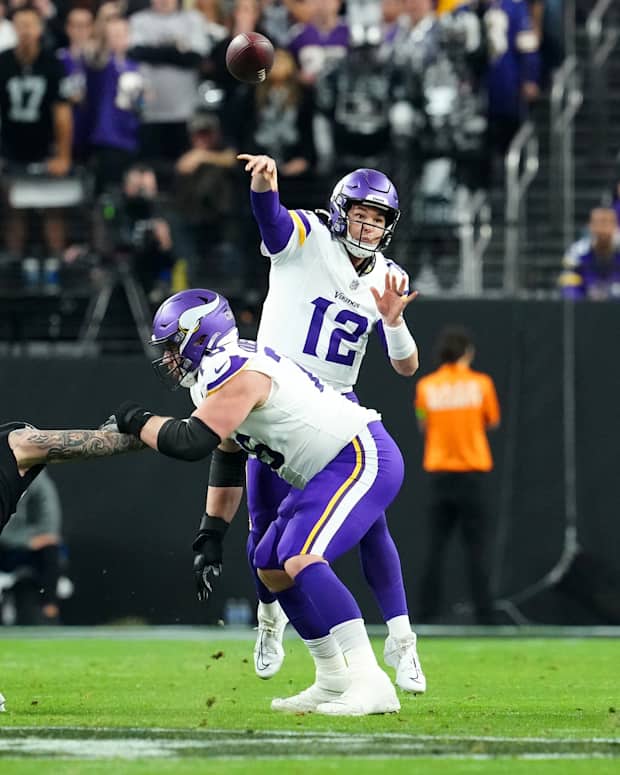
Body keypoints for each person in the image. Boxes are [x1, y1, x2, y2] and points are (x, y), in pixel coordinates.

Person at [110, 287, 405, 716]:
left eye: (173, 346)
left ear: (200, 335)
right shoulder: (214, 376)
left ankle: (370, 680)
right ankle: (332, 677)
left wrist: (136, 420)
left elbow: (189, 441)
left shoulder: (233, 369)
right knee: (269, 565)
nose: (169, 358)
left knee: (300, 555)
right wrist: (212, 532)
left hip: (358, 454)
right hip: (323, 469)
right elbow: (227, 455)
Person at [203, 152, 426, 701]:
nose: (368, 226)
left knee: (370, 526)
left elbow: (406, 366)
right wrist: (264, 186)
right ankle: (271, 621)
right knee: (265, 531)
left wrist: (394, 322)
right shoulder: (310, 236)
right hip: (274, 394)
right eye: (361, 214)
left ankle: (401, 642)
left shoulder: (390, 277)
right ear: (340, 211)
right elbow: (272, 222)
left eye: (378, 218)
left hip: (332, 405)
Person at [415, 326, 500, 624]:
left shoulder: (426, 386)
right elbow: (491, 420)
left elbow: (422, 422)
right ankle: (485, 615)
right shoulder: (481, 384)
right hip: (472, 473)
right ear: (467, 352)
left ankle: (425, 615)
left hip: (440, 474)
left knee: (434, 548)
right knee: (476, 548)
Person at [0, 469, 64, 625]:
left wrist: (36, 539)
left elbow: (50, 523)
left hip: (27, 548)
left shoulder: (39, 481)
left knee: (50, 549)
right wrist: (26, 540)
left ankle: (49, 611)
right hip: (5, 546)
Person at [558, 207, 620, 301]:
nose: (603, 229)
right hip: (585, 305)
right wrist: (583, 304)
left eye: (608, 222)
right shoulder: (577, 251)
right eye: (599, 223)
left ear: (616, 226)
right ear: (590, 226)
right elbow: (568, 286)